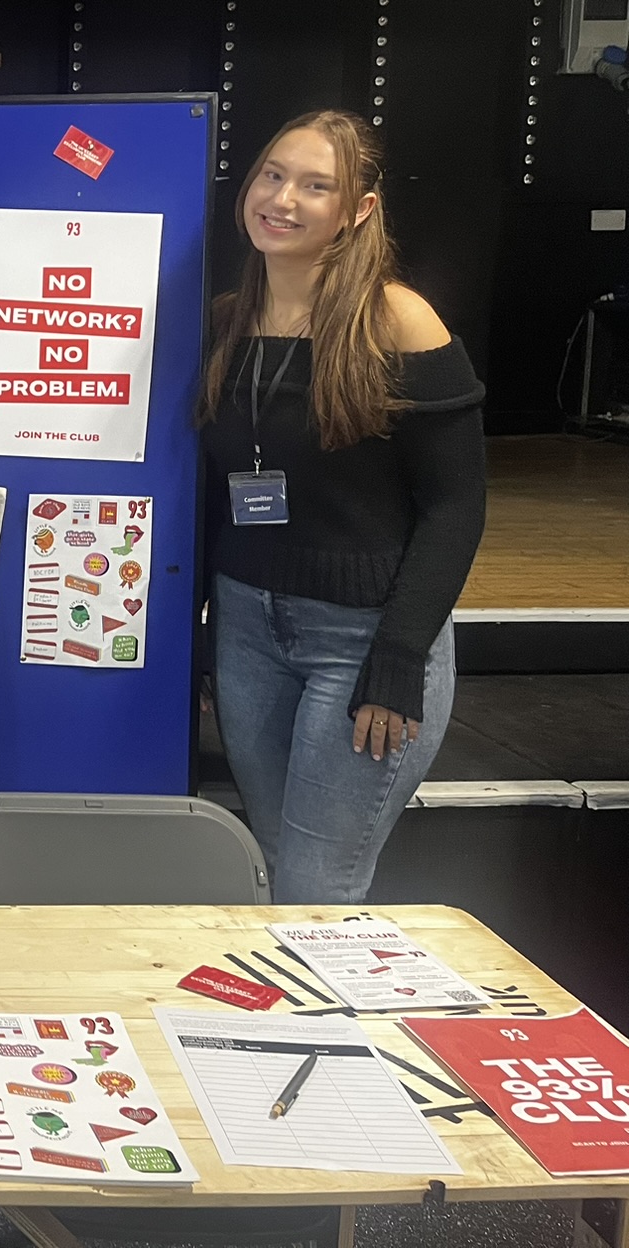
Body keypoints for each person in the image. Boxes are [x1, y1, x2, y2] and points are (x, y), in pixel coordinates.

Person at [199, 110, 486, 905]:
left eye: (315, 185)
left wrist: (398, 657)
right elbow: (214, 494)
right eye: (272, 174)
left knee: (318, 890)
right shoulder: (227, 320)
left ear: (358, 209)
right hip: (248, 630)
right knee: (269, 862)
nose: (283, 198)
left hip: (360, 642)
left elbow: (457, 506)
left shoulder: (399, 320)